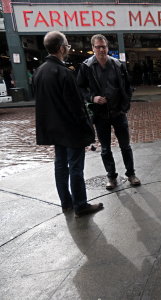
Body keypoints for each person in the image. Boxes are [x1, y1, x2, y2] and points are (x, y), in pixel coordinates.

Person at [33, 31, 103, 217]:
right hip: (70, 131)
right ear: (61, 47)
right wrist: (86, 129)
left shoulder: (39, 72)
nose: (68, 48)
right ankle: (80, 204)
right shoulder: (63, 72)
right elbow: (76, 107)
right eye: (67, 45)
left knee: (61, 166)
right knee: (75, 168)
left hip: (55, 131)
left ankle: (66, 202)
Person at [77, 34, 141, 190]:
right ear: (92, 48)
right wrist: (93, 97)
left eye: (104, 46)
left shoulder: (118, 64)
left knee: (125, 146)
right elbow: (79, 88)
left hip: (118, 112)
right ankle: (111, 177)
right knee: (105, 148)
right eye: (98, 47)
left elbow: (127, 86)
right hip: (100, 115)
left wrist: (125, 105)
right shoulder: (86, 67)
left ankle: (131, 174)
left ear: (108, 47)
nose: (101, 50)